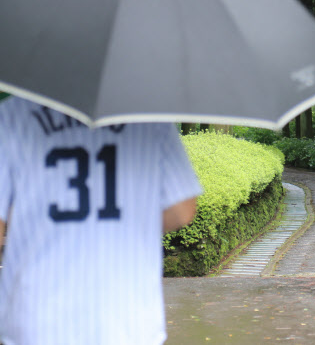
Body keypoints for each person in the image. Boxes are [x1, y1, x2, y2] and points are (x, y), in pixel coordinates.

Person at [0, 96, 202, 345]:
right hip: (126, 319)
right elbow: (182, 211)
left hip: (36, 322)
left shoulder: (12, 115)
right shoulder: (149, 118)